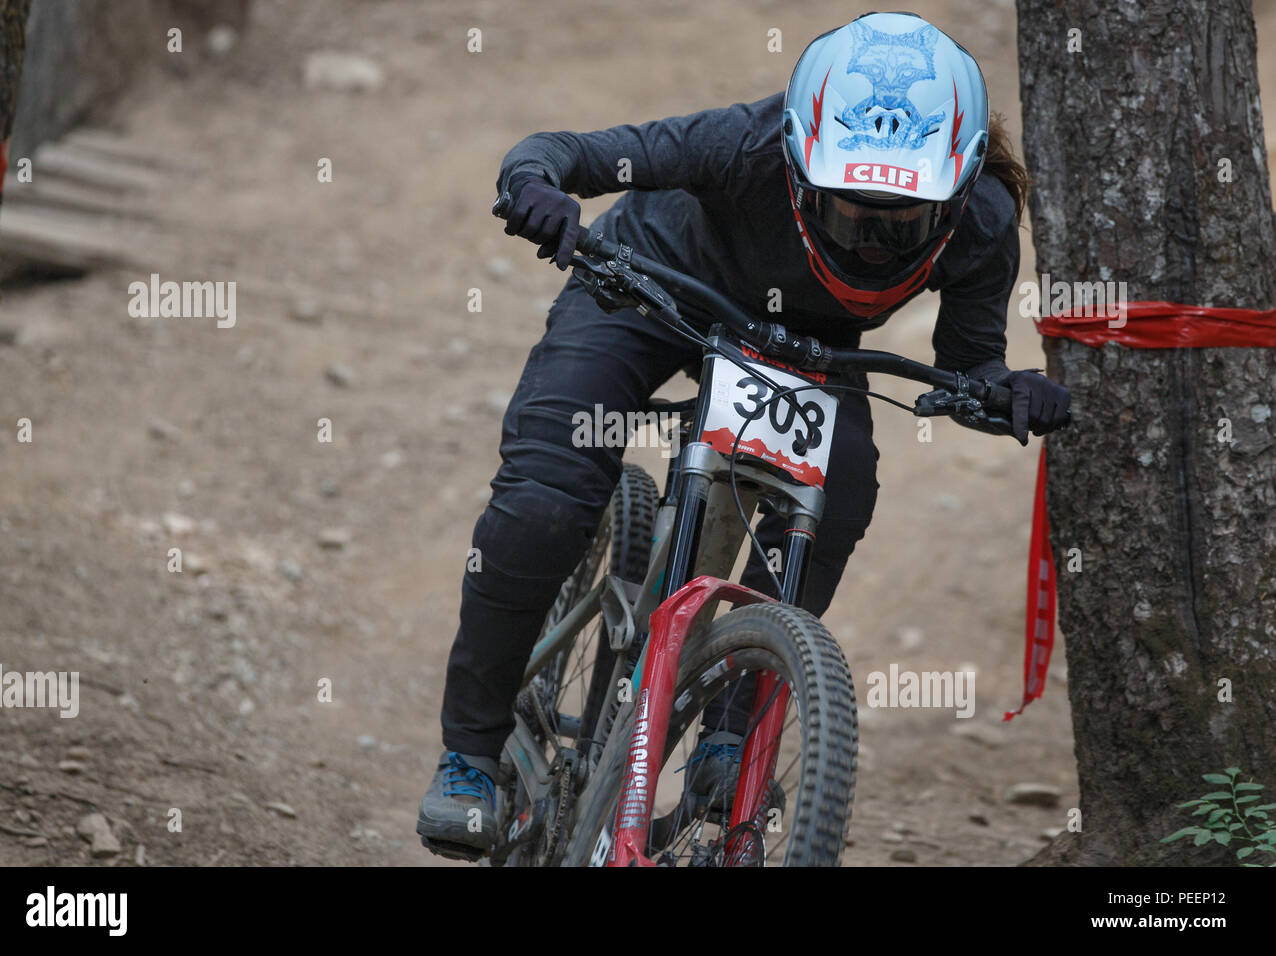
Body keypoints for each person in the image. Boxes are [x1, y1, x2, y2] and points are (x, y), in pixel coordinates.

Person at [416, 10, 1071, 860]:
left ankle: (730, 732)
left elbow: (970, 361)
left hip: (806, 349)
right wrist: (535, 184)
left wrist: (1006, 393)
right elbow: (563, 151)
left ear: (955, 190)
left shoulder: (982, 217)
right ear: (798, 163)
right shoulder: (741, 143)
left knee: (838, 501)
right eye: (850, 213)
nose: (872, 242)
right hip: (649, 291)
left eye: (901, 222)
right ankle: (470, 755)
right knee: (545, 499)